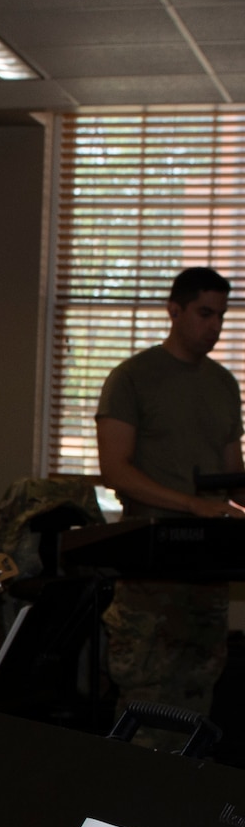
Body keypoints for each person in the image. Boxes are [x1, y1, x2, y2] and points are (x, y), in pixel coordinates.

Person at [96, 266, 244, 721]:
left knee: (198, 698)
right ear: (174, 310)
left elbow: (230, 468)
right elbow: (115, 469)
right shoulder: (133, 378)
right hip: (151, 566)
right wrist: (192, 504)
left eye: (221, 315)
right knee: (144, 699)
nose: (214, 326)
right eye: (204, 313)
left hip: (208, 566)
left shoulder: (224, 384)